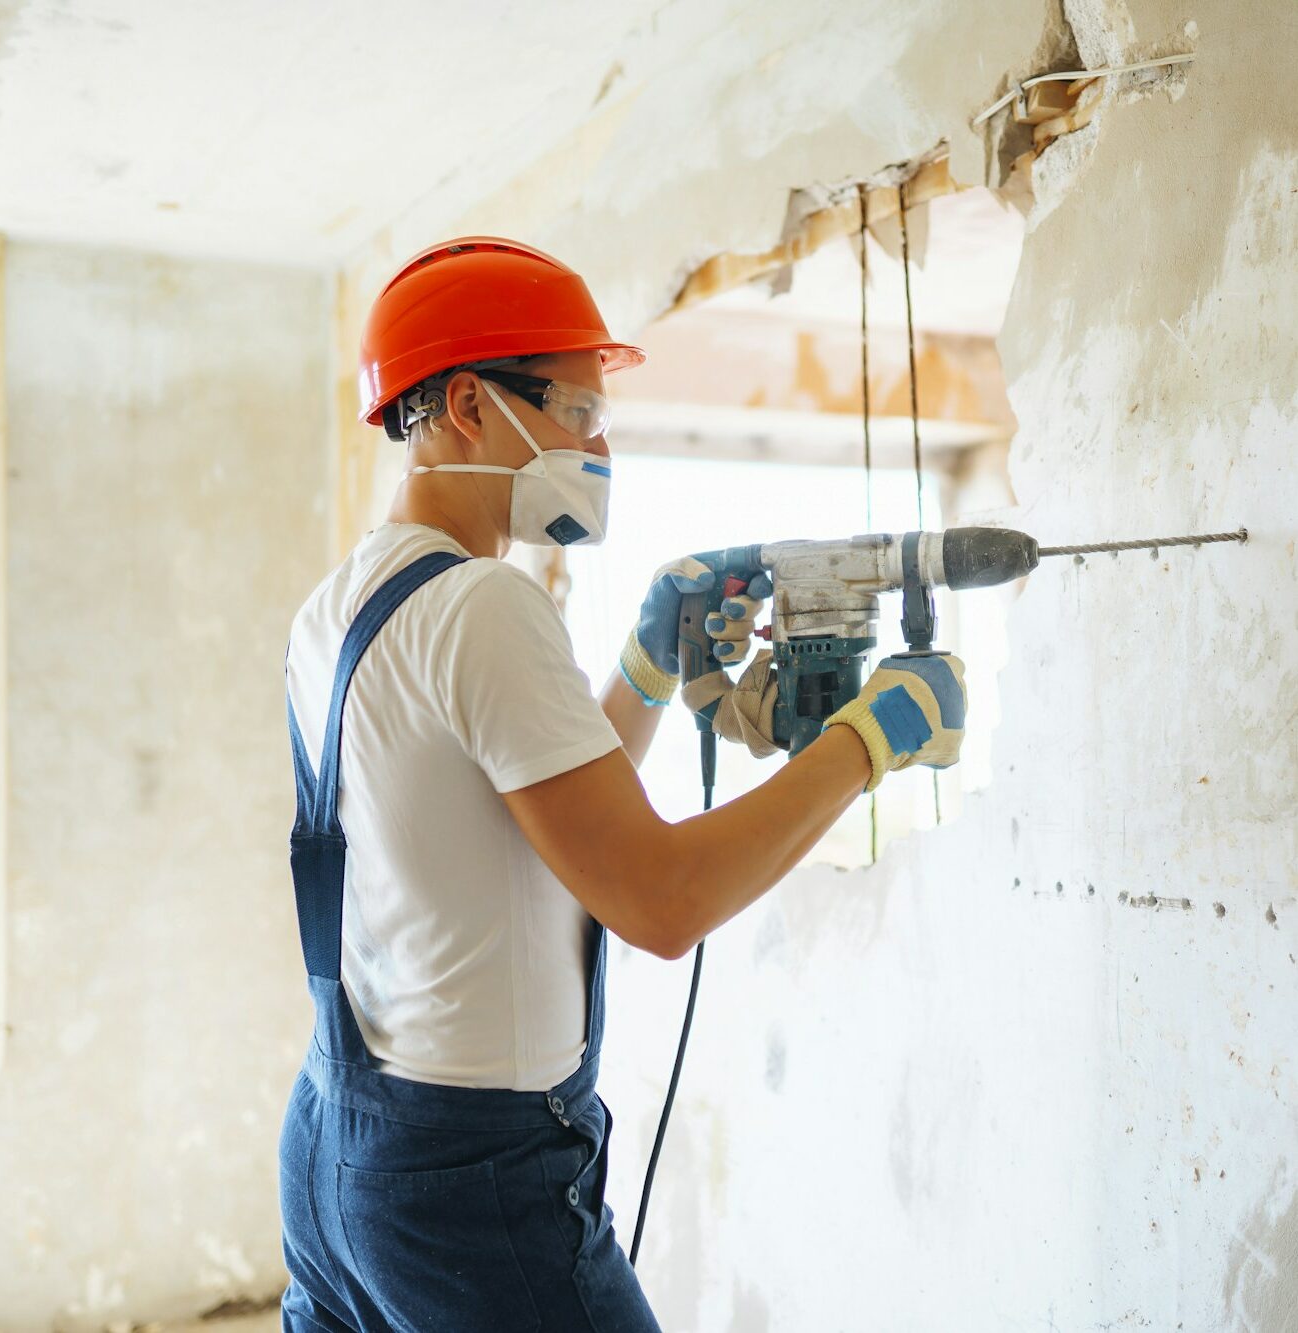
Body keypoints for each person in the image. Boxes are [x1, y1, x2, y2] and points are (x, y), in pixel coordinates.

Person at [278, 237, 967, 1331]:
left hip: (337, 1145)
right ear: (467, 402)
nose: (600, 445)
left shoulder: (339, 609)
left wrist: (645, 668)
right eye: (577, 412)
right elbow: (658, 899)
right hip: (474, 1179)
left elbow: (526, 817)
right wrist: (872, 737)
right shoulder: (484, 606)